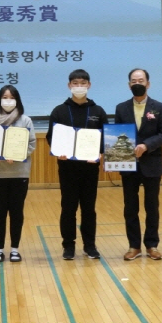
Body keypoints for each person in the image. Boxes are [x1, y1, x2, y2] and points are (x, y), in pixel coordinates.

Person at [46, 69, 108, 260]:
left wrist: (99, 154)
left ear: (89, 85)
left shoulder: (98, 111)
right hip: (67, 168)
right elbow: (51, 137)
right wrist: (58, 151)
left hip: (90, 168)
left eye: (82, 83)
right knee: (68, 208)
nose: (79, 86)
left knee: (89, 208)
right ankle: (68, 246)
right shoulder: (59, 111)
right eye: (75, 83)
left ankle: (90, 245)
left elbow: (106, 139)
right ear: (69, 86)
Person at [114, 68, 162, 261]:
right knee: (130, 207)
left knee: (152, 206)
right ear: (129, 85)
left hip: (151, 163)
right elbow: (118, 134)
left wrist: (146, 145)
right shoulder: (121, 108)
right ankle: (134, 246)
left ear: (148, 83)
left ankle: (152, 245)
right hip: (128, 164)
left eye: (140, 80)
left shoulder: (159, 107)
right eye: (133, 81)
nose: (137, 83)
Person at [0, 85, 36, 263]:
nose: (8, 100)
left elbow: (32, 144)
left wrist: (18, 154)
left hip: (19, 173)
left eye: (12, 97)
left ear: (17, 100)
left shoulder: (25, 121)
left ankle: (15, 249)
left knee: (16, 212)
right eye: (5, 97)